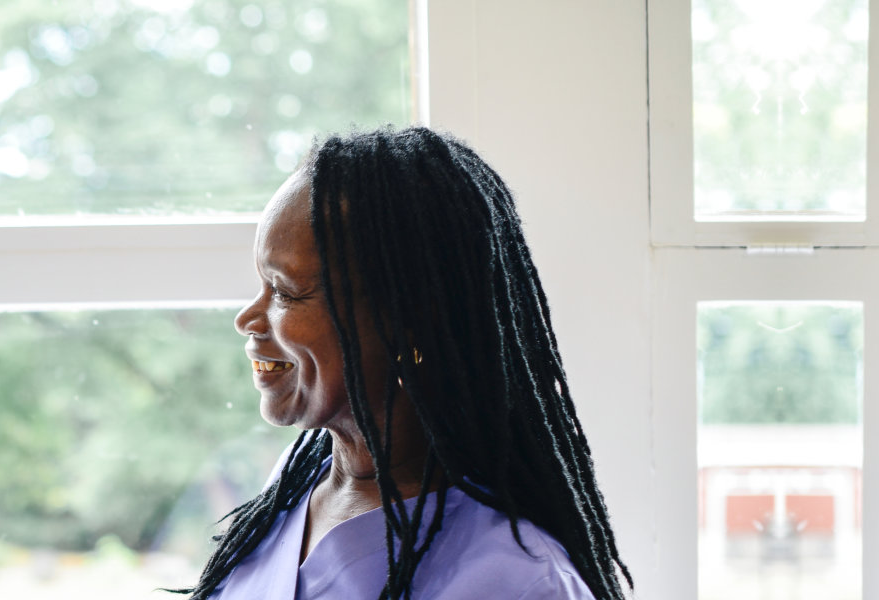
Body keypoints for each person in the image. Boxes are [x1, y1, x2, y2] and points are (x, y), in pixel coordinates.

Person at [176, 127, 631, 599]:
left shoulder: (521, 581)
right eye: (261, 285)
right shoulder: (294, 488)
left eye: (286, 291)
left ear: (405, 321)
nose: (248, 318)